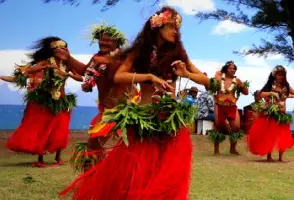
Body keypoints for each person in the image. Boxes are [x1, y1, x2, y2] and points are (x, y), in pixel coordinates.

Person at [60, 7, 209, 200]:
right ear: (157, 27)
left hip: (169, 118)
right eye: (171, 26)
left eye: (177, 28)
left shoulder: (178, 53)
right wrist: (149, 76)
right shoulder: (140, 52)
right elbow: (120, 76)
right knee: (137, 166)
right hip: (144, 116)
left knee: (167, 167)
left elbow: (205, 81)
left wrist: (186, 74)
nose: (175, 31)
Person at [0, 37, 82, 168]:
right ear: (52, 50)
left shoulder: (67, 64)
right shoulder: (46, 62)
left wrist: (68, 74)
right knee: (43, 129)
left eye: (62, 48)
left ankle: (58, 157)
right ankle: (40, 158)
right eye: (56, 48)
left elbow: (80, 77)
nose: (59, 51)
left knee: (60, 129)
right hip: (45, 101)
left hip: (62, 101)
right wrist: (0, 77)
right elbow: (28, 71)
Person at [61, 23, 136, 172]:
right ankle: (93, 182)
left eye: (108, 40)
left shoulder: (123, 58)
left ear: (117, 43)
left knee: (126, 149)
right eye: (101, 39)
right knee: (93, 149)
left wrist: (110, 61)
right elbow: (85, 71)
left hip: (126, 110)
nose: (103, 42)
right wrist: (68, 58)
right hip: (107, 111)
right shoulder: (97, 58)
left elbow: (118, 75)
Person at [247, 65, 294, 162]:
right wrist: (271, 93)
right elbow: (260, 94)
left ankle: (280, 157)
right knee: (270, 136)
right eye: (279, 75)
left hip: (282, 115)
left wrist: (292, 96)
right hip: (271, 115)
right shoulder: (270, 85)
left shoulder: (286, 86)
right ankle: (269, 156)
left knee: (283, 136)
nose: (281, 77)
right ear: (274, 75)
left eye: (283, 75)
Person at [207, 61, 249, 155]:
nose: (232, 70)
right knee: (218, 127)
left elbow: (246, 93)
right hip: (219, 105)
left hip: (232, 106)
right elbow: (209, 86)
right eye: (230, 68)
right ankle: (216, 150)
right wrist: (220, 72)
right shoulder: (218, 78)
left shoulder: (237, 81)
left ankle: (232, 149)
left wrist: (242, 85)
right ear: (226, 68)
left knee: (236, 127)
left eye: (234, 68)